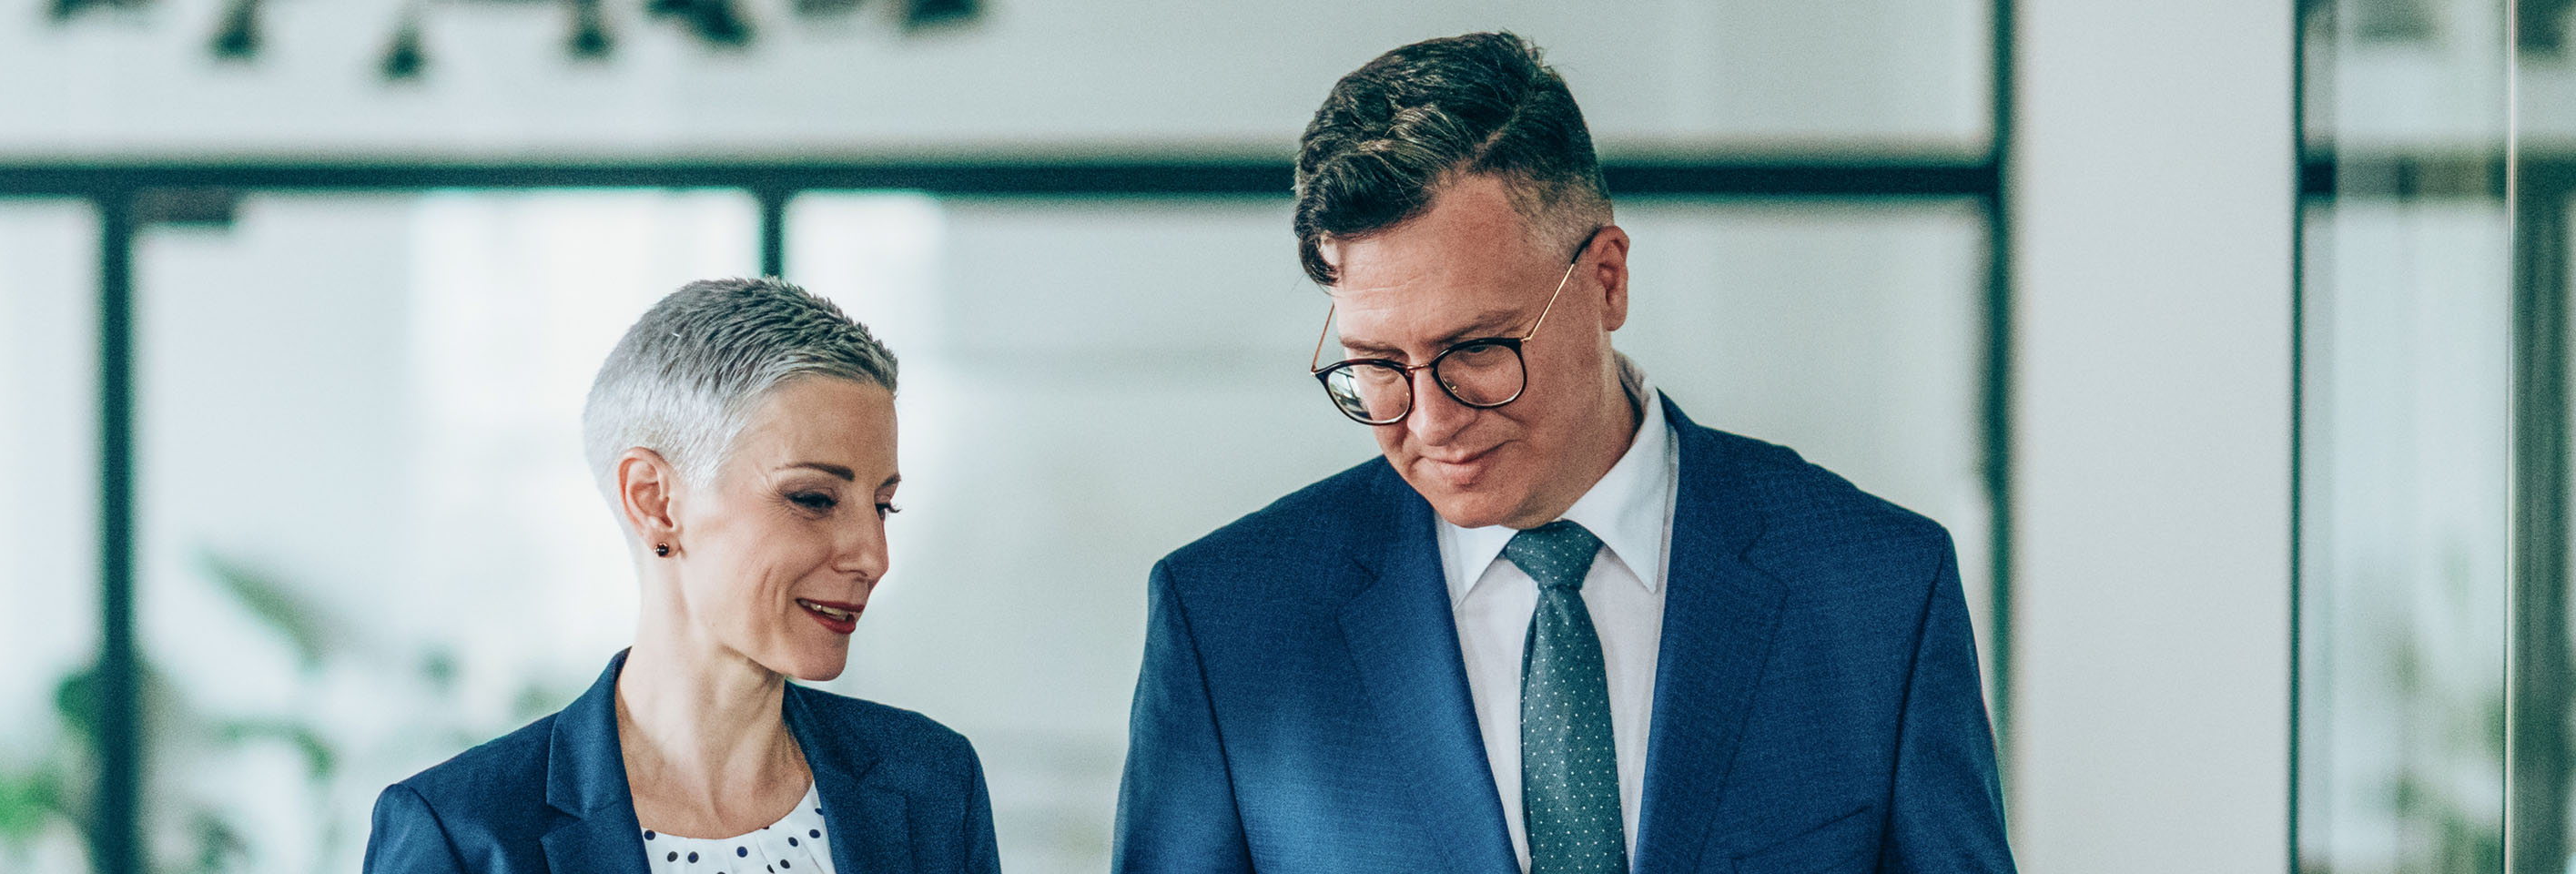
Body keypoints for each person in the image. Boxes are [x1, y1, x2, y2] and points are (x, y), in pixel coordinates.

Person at [1112, 32, 2015, 874]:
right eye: (1378, 365)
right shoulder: (1229, 625)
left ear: (1607, 279)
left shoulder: (1878, 590)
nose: (1429, 421)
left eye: (1476, 350)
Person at [365, 278, 1000, 873]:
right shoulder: (463, 833)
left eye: (883, 505)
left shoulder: (934, 783)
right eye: (813, 498)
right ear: (656, 502)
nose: (873, 556)